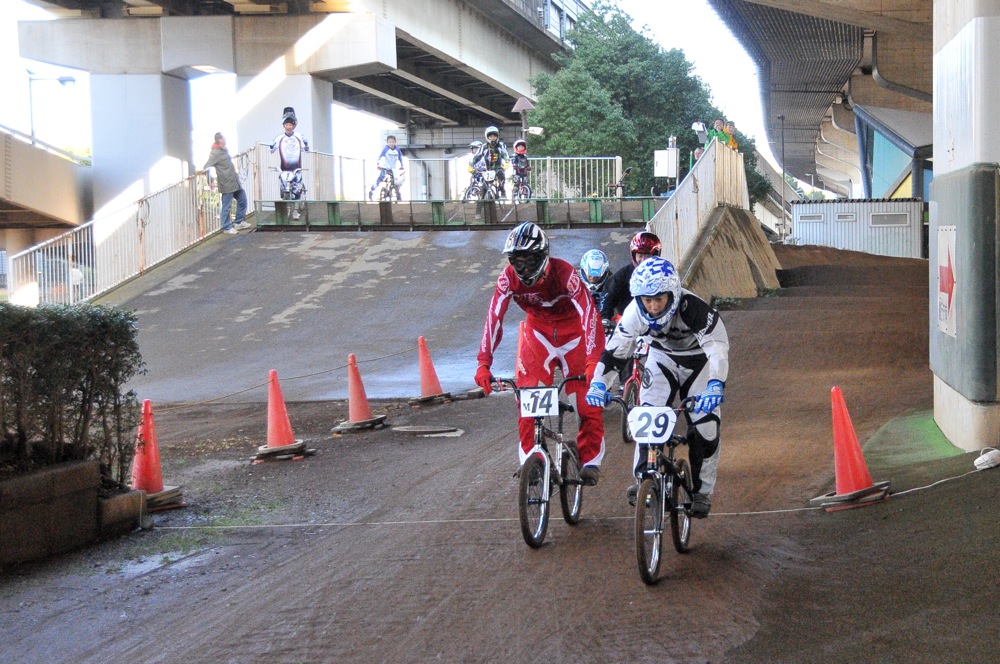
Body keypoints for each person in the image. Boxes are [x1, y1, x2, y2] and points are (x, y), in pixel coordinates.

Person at [585, 256, 729, 518]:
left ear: (672, 295)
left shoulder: (693, 308)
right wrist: (598, 383)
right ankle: (644, 479)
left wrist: (716, 384)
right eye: (646, 300)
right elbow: (615, 353)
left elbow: (717, 348)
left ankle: (702, 491)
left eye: (658, 299)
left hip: (699, 362)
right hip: (661, 359)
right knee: (647, 417)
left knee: (706, 425)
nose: (652, 307)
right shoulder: (633, 313)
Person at [475, 222, 606, 484]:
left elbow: (589, 313)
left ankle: (590, 459)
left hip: (574, 334)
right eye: (516, 261)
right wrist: (483, 362)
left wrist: (593, 360)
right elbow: (494, 318)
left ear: (544, 257)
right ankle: (530, 459)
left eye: (529, 261)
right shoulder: (508, 278)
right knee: (527, 399)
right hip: (538, 334)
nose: (521, 269)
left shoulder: (565, 273)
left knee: (586, 401)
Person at [599, 231, 662, 324]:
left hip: (656, 323)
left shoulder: (665, 274)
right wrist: (604, 319)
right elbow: (607, 299)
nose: (643, 260)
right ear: (634, 255)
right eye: (640, 255)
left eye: (648, 255)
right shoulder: (621, 276)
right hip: (627, 324)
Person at [203, 132, 251, 235]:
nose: (226, 139)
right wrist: (210, 181)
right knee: (226, 206)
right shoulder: (215, 153)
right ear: (220, 140)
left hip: (234, 182)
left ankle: (238, 221)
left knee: (242, 200)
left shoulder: (223, 150)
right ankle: (226, 227)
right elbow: (206, 167)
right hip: (226, 184)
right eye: (224, 137)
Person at [270, 107, 309, 219]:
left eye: (291, 125)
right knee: (284, 190)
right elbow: (271, 149)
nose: (289, 127)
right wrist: (271, 146)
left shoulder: (299, 136)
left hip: (296, 167)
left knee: (296, 190)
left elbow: (306, 149)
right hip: (284, 168)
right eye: (286, 124)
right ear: (284, 125)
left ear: (294, 125)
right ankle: (286, 211)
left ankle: (296, 211)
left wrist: (306, 145)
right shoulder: (279, 137)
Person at [473, 125, 510, 199]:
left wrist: (507, 162)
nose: (493, 138)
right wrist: (472, 164)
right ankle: (482, 203)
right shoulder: (484, 147)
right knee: (484, 187)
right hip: (488, 170)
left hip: (498, 168)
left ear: (497, 136)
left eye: (494, 136)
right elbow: (477, 156)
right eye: (491, 136)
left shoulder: (500, 145)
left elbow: (505, 154)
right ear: (487, 137)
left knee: (501, 174)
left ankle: (502, 190)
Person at [579, 249, 612, 323]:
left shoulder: (612, 283)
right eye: (590, 276)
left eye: (597, 277)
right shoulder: (575, 282)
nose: (593, 279)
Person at [368, 135, 405, 201]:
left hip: (393, 169)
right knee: (379, 180)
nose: (391, 143)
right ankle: (371, 191)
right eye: (390, 142)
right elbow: (380, 157)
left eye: (393, 142)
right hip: (385, 168)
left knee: (396, 182)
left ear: (395, 142)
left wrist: (402, 165)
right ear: (387, 143)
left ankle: (398, 195)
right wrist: (379, 165)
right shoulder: (386, 149)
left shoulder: (397, 149)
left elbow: (400, 157)